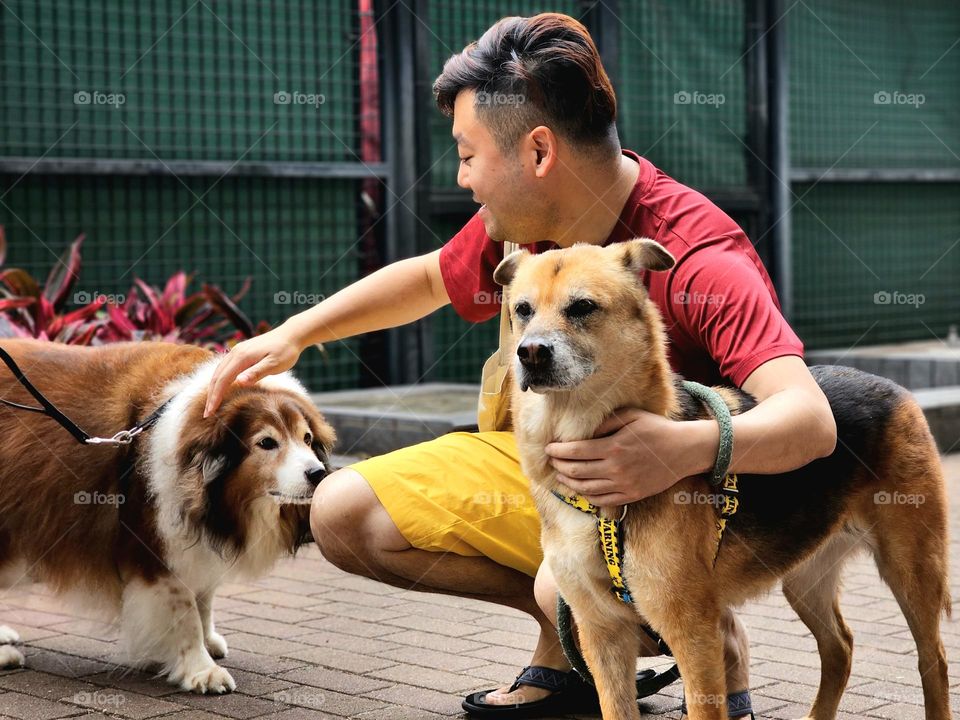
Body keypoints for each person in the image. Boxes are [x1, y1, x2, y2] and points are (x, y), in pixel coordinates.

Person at [204, 13, 837, 718]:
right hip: (557, 470)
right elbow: (425, 281)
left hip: (677, 504)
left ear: (538, 152)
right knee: (346, 512)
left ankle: (696, 629)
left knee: (559, 580)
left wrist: (679, 449)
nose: (461, 176)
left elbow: (811, 423)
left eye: (468, 154)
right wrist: (296, 333)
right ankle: (577, 639)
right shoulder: (531, 224)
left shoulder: (699, 258)